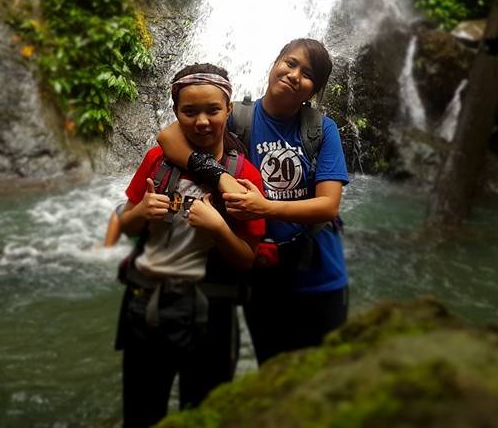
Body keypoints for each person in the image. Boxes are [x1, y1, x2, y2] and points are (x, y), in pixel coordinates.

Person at [157, 38, 349, 365]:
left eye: (308, 74)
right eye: (290, 63)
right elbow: (168, 138)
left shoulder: (322, 129)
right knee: (272, 371)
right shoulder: (237, 118)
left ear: (314, 89)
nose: (294, 74)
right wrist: (218, 175)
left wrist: (264, 208)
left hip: (320, 274)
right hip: (259, 272)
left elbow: (328, 206)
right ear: (275, 63)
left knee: (324, 377)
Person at [115, 64, 265, 428]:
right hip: (147, 304)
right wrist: (142, 213)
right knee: (141, 413)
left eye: (213, 110)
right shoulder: (157, 161)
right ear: (175, 112)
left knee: (204, 415)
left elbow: (247, 260)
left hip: (211, 314)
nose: (201, 122)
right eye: (189, 111)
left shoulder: (245, 176)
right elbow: (123, 225)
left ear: (229, 109)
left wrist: (219, 229)